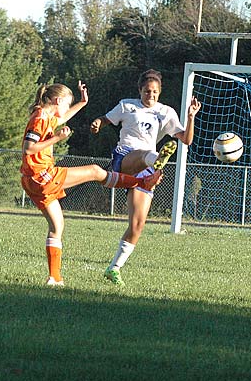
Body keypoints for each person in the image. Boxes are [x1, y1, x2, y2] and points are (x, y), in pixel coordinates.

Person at [21, 81, 163, 287]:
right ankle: (141, 181)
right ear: (57, 101)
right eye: (66, 104)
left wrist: (82, 103)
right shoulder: (40, 119)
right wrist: (57, 138)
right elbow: (28, 148)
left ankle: (54, 279)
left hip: (31, 179)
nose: (66, 109)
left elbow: (62, 117)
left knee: (57, 226)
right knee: (95, 171)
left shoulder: (46, 115)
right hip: (41, 175)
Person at [90, 69, 201, 285]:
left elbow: (186, 140)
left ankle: (114, 268)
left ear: (160, 92)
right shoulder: (127, 106)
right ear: (140, 90)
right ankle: (157, 160)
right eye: (147, 91)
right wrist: (97, 123)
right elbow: (105, 119)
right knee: (144, 155)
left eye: (155, 92)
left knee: (137, 224)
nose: (151, 95)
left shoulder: (166, 112)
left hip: (147, 169)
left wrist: (190, 117)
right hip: (125, 157)